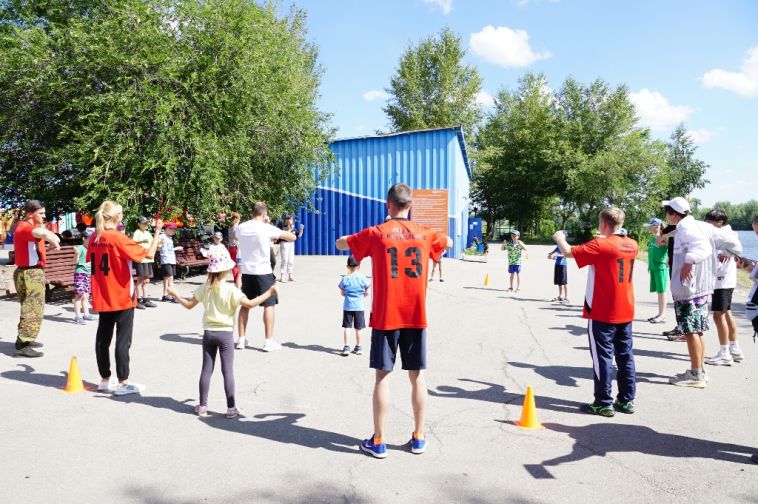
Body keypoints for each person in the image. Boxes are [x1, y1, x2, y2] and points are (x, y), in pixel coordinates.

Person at [336, 183, 451, 458]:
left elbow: (342, 243)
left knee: (382, 377)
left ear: (388, 204)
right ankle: (419, 437)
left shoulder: (377, 233)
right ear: (410, 206)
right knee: (417, 376)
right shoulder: (424, 233)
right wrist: (438, 241)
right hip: (415, 315)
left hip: (386, 316)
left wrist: (351, 238)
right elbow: (447, 242)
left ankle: (379, 441)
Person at [168, 247, 276, 418]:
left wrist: (175, 294)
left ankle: (202, 406)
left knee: (206, 370)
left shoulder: (205, 287)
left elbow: (188, 305)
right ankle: (231, 408)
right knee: (227, 371)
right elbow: (249, 304)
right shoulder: (231, 290)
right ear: (226, 270)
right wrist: (269, 292)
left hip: (208, 333)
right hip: (225, 334)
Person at [552, 208, 638, 417]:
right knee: (625, 356)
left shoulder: (600, 245)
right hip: (625, 309)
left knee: (602, 357)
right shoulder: (632, 244)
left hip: (602, 310)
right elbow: (611, 249)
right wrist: (602, 238)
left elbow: (568, 252)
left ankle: (603, 402)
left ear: (603, 223)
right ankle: (626, 399)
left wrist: (559, 237)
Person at [663, 197, 740, 388]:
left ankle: (696, 375)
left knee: (690, 331)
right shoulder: (701, 225)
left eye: (667, 212)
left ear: (673, 214)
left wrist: (689, 262)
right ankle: (699, 370)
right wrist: (729, 253)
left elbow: (701, 247)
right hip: (702, 288)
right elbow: (732, 242)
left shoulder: (685, 227)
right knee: (697, 330)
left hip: (689, 289)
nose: (666, 216)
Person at [89, 201, 162, 395]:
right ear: (116, 217)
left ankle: (105, 379)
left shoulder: (95, 237)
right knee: (123, 340)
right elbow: (149, 254)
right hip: (121, 294)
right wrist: (157, 233)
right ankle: (123, 382)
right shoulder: (117, 237)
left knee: (103, 339)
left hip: (103, 293)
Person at [235, 202, 296, 351]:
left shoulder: (241, 227)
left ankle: (241, 340)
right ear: (264, 214)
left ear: (252, 212)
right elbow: (292, 237)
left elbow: (236, 237)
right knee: (269, 305)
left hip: (247, 272)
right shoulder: (267, 228)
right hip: (263, 271)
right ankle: (268, 341)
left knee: (245, 305)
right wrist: (273, 233)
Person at [12, 200, 61, 358]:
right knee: (32, 309)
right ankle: (23, 345)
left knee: (31, 307)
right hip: (30, 273)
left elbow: (39, 241)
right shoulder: (26, 227)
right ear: (30, 214)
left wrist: (51, 244)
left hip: (31, 272)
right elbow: (45, 234)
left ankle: (25, 339)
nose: (44, 215)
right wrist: (54, 239)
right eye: (41, 213)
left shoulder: (31, 229)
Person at [704, 209, 744, 366]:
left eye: (710, 222)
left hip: (722, 281)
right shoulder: (724, 234)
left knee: (718, 315)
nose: (707, 225)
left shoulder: (726, 235)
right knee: (726, 313)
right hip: (724, 281)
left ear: (720, 222)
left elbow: (737, 249)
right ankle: (735, 349)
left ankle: (725, 353)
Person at [338, 255, 370, 356]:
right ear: (359, 266)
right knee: (358, 328)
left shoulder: (345, 278)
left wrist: (347, 295)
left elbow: (342, 293)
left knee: (347, 327)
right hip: (359, 307)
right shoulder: (363, 278)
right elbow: (367, 292)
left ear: (347, 267)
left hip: (348, 306)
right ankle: (358, 347)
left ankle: (346, 347)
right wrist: (361, 297)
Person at [645, 218, 669, 324]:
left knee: (662, 291)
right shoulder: (653, 238)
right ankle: (660, 314)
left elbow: (669, 245)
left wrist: (662, 235)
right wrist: (649, 266)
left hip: (661, 268)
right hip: (653, 267)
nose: (649, 229)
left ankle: (662, 315)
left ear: (656, 226)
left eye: (650, 226)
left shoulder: (663, 237)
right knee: (659, 292)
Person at [72, 228, 97, 324]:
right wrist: (77, 254)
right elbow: (75, 262)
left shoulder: (92, 249)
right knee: (79, 295)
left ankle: (86, 314)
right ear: (84, 238)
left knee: (86, 295)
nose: (91, 241)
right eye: (89, 239)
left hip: (88, 274)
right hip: (80, 273)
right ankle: (78, 316)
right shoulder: (80, 248)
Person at [133, 216, 157, 309]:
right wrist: (142, 241)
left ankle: (146, 299)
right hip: (141, 259)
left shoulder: (148, 233)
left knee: (147, 280)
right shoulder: (137, 232)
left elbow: (153, 243)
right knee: (140, 280)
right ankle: (138, 300)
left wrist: (159, 243)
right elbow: (133, 243)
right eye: (144, 223)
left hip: (148, 259)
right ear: (139, 224)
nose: (146, 224)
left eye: (146, 223)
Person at [158, 222, 183, 303]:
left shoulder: (170, 237)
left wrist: (176, 248)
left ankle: (165, 295)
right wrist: (159, 245)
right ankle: (173, 296)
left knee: (166, 278)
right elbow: (158, 247)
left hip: (171, 259)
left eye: (175, 229)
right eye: (172, 229)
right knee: (170, 279)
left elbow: (169, 249)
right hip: (166, 260)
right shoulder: (162, 236)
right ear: (167, 229)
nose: (174, 231)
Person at [278, 215, 304, 282]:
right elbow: (285, 234)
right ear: (286, 220)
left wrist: (301, 229)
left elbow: (299, 235)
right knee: (284, 260)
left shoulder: (293, 228)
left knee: (291, 260)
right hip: (284, 244)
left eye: (292, 219)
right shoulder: (284, 227)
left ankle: (290, 276)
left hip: (291, 244)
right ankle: (282, 276)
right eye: (290, 219)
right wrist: (290, 228)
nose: (291, 221)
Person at [547, 236, 568, 303]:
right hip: (557, 264)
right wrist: (550, 254)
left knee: (563, 282)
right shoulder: (558, 246)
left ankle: (565, 297)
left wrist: (555, 255)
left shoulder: (564, 246)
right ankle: (560, 296)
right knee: (559, 281)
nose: (557, 241)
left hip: (563, 265)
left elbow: (565, 254)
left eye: (558, 239)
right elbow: (553, 252)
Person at [228, 211, 242, 288]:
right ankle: (238, 281)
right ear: (237, 218)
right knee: (238, 265)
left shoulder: (230, 226)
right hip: (236, 247)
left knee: (234, 265)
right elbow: (235, 237)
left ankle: (236, 281)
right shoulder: (236, 226)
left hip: (231, 247)